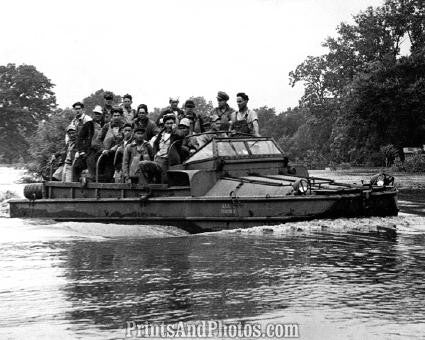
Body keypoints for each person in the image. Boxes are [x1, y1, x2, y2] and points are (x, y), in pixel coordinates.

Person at [74, 105, 104, 182]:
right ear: (93, 114)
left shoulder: (105, 125)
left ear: (102, 115)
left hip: (103, 150)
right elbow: (80, 138)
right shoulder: (89, 124)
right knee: (79, 165)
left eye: (99, 114)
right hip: (91, 150)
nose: (97, 115)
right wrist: (81, 151)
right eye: (96, 113)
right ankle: (82, 181)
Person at [151, 114, 175, 182]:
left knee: (164, 179)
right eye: (167, 123)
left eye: (171, 123)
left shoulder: (175, 133)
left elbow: (180, 135)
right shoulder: (161, 134)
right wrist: (155, 154)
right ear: (164, 124)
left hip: (168, 159)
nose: (169, 125)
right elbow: (155, 143)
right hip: (158, 157)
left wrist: (175, 129)